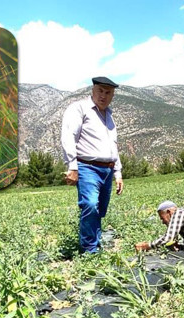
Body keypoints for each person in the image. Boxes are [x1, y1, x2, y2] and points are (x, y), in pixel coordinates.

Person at [61, 76, 124, 254]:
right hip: (87, 166)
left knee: (100, 210)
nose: (103, 96)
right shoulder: (79, 109)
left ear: (112, 95)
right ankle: (90, 251)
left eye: (108, 92)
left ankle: (94, 242)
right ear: (93, 90)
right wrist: (72, 166)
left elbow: (114, 146)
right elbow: (68, 136)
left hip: (108, 169)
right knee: (89, 204)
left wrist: (118, 173)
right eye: (100, 91)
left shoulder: (110, 116)